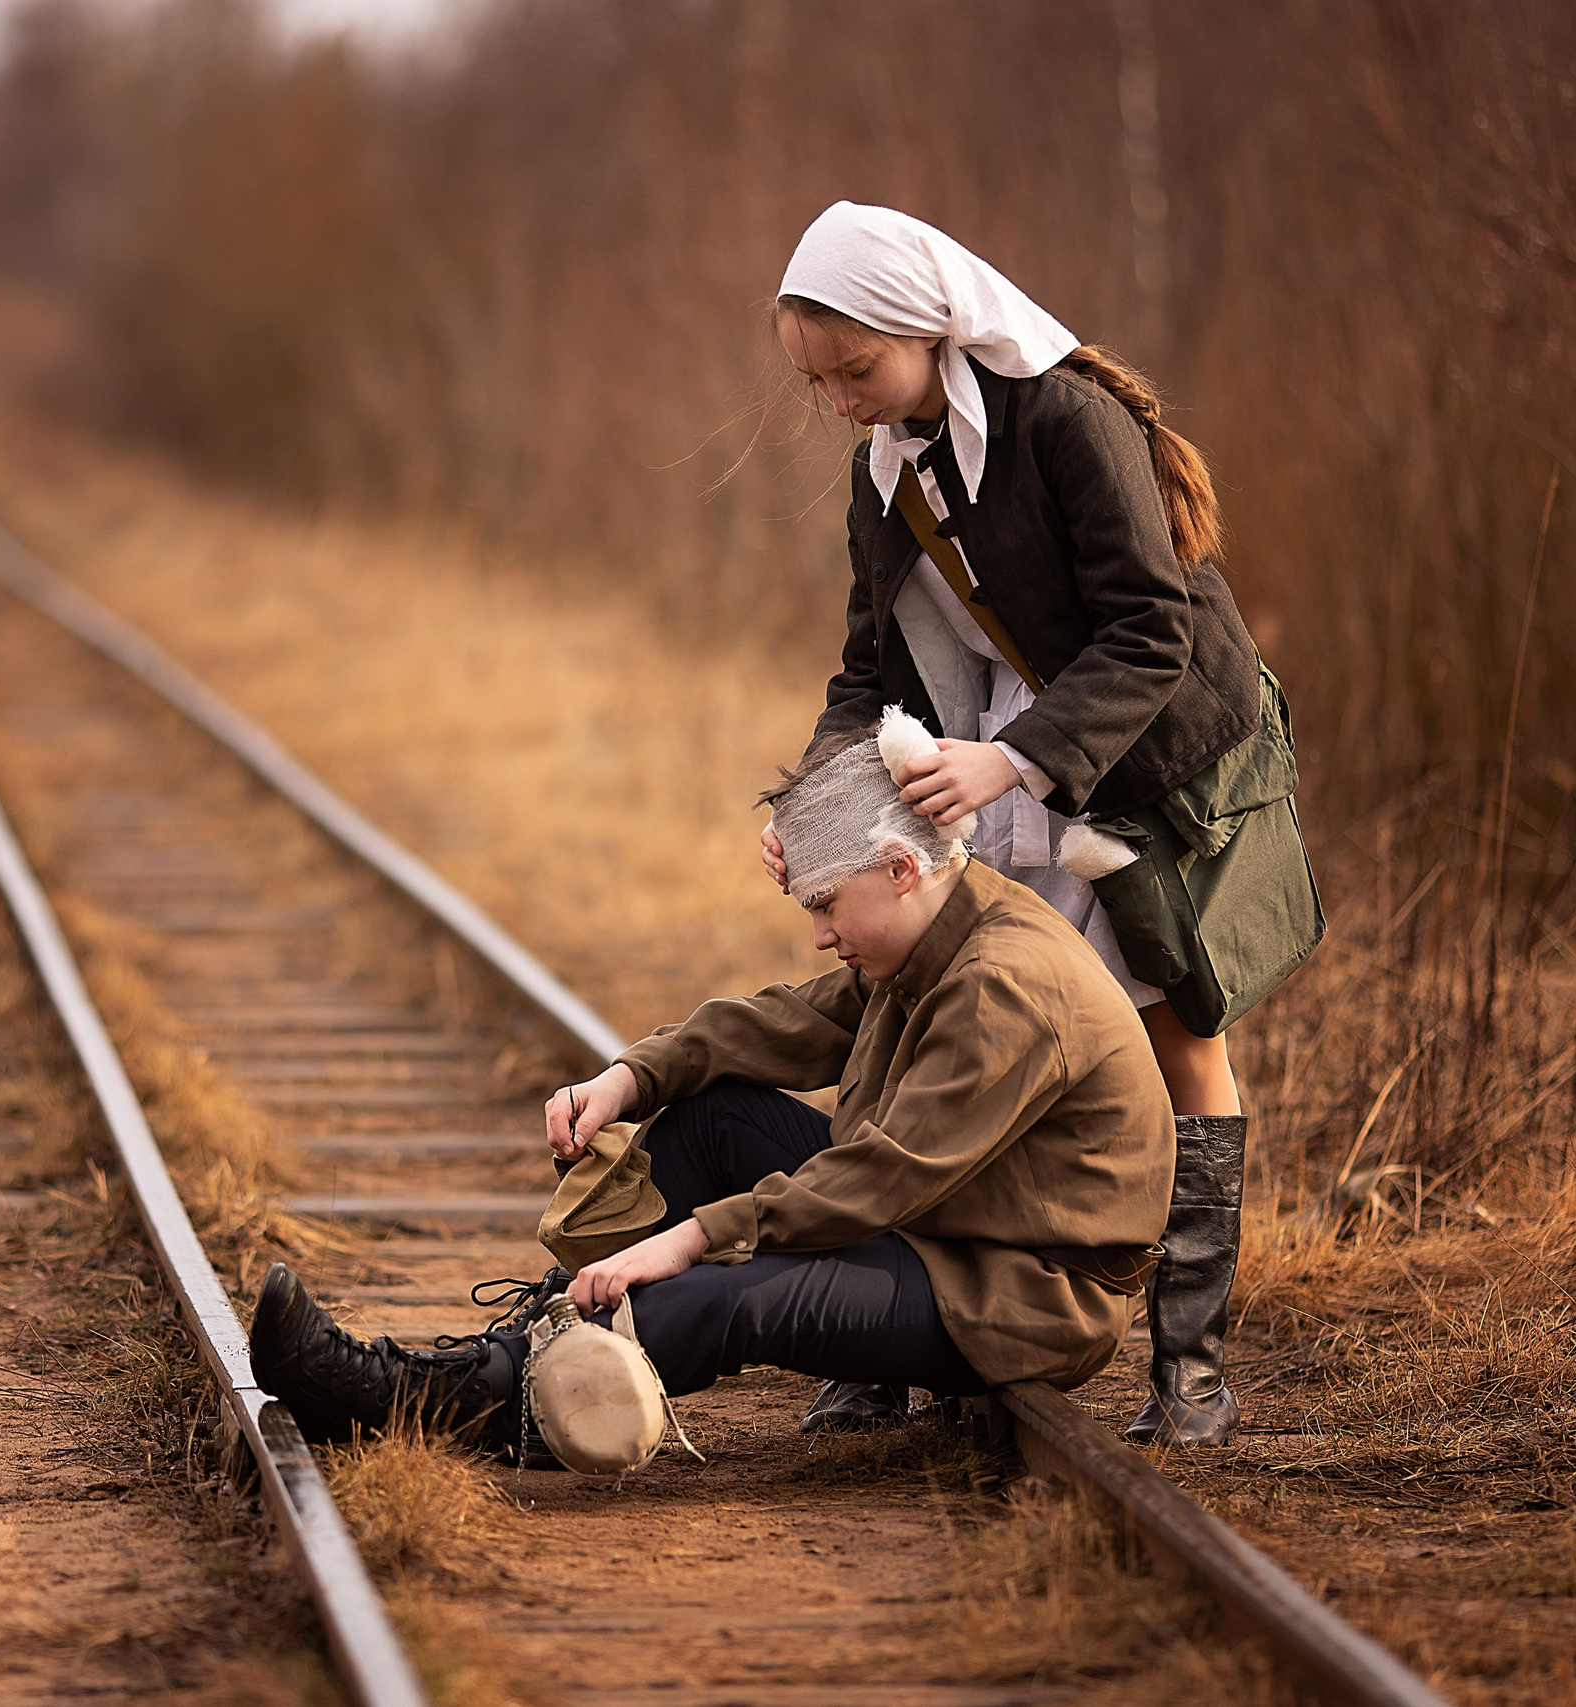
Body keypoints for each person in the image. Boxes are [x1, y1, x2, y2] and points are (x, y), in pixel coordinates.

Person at [248, 716, 1174, 1459]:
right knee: (712, 1116)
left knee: (724, 1296)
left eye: (824, 902)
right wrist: (629, 1075)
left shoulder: (1004, 983)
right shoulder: (936, 926)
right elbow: (783, 1023)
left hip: (1021, 1287)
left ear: (899, 869)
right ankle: (543, 1335)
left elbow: (882, 1175)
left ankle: (414, 1405)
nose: (818, 931)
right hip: (950, 1226)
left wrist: (691, 1240)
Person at [762, 201, 1286, 1447]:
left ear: (929, 329)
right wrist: (814, 810)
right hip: (988, 768)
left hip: (1154, 758)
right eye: (817, 381)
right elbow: (869, 669)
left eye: (856, 370)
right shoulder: (882, 465)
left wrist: (1012, 764)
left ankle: (1192, 1370)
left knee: (1176, 1033)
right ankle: (891, 1340)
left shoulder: (1065, 420)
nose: (839, 399)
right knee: (949, 1008)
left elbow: (1151, 632)